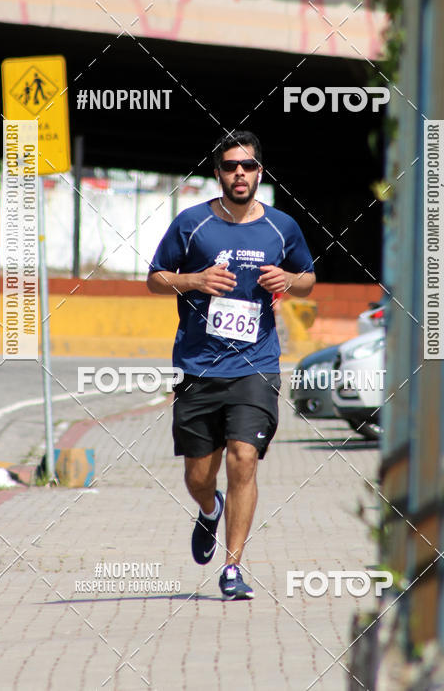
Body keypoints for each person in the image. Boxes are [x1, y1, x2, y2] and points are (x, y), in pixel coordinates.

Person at [147, 130, 315, 600]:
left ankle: (233, 567)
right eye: (229, 166)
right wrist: (194, 279)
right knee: (199, 475)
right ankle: (208, 509)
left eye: (247, 166)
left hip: (255, 367)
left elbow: (308, 279)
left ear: (260, 172)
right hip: (199, 366)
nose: (238, 173)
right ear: (217, 173)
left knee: (244, 458)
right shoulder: (192, 223)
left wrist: (290, 280)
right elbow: (155, 279)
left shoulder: (282, 227)